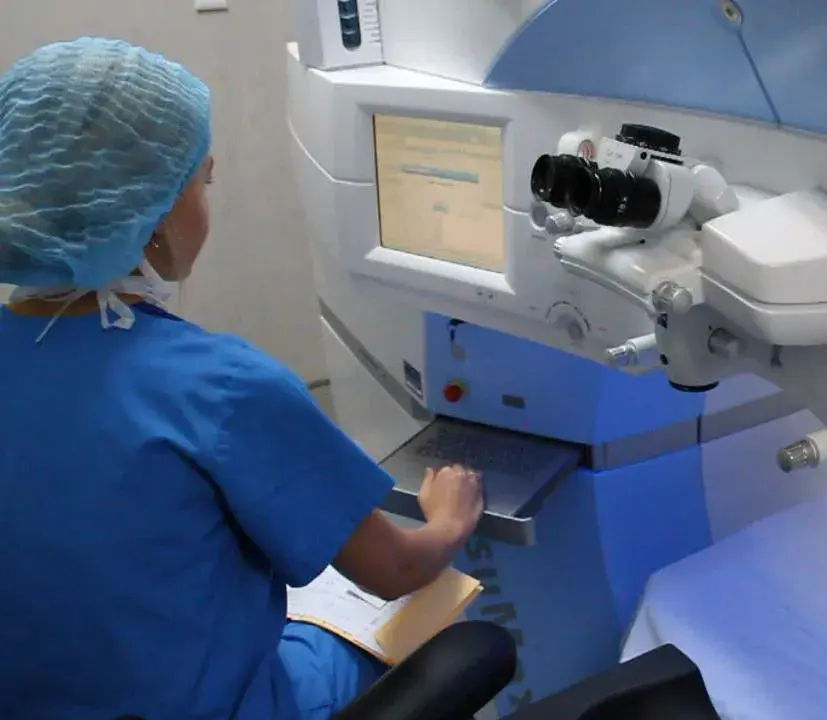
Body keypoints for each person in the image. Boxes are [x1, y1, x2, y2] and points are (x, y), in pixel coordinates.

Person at [0, 38, 485, 720]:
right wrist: (446, 522)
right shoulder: (221, 388)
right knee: (447, 624)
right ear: (152, 220)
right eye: (203, 179)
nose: (208, 198)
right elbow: (393, 570)